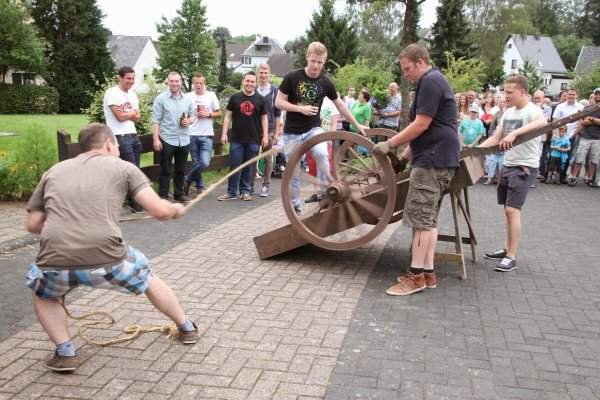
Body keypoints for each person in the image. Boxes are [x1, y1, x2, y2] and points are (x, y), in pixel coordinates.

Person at [25, 123, 198, 373]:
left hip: (54, 259)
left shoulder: (53, 171)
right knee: (147, 277)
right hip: (107, 256)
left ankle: (65, 353)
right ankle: (186, 327)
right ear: (108, 143)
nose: (117, 150)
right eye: (116, 145)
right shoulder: (124, 167)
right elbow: (159, 211)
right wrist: (174, 209)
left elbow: (32, 224)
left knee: (44, 294)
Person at [372, 43, 460, 296]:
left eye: (407, 68)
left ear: (420, 62)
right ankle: (428, 273)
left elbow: (421, 125)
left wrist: (390, 143)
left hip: (432, 161)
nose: (406, 74)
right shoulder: (432, 82)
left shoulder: (431, 82)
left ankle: (416, 277)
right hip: (435, 156)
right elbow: (426, 129)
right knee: (429, 220)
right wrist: (404, 156)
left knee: (420, 220)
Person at [275, 41, 367, 216]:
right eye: (313, 61)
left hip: (313, 129)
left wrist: (357, 125)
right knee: (293, 173)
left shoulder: (326, 82)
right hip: (292, 134)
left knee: (322, 153)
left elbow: (341, 106)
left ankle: (326, 194)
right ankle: (295, 207)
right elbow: (278, 102)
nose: (316, 66)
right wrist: (300, 108)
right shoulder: (292, 77)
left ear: (325, 61)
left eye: (320, 62)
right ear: (307, 58)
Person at [479, 75, 547, 272]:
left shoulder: (533, 111)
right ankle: (507, 248)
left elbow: (543, 122)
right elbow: (496, 138)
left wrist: (516, 133)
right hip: (508, 165)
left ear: (522, 92)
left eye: (509, 92)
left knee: (512, 210)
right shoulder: (508, 113)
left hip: (524, 167)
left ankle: (511, 256)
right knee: (508, 211)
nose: (505, 95)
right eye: (505, 91)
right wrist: (474, 152)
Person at [217, 71, 268, 201]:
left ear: (255, 83)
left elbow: (264, 119)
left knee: (248, 166)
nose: (249, 84)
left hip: (254, 139)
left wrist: (265, 136)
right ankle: (231, 192)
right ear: (243, 82)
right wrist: (224, 133)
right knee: (234, 165)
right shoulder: (235, 98)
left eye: (252, 81)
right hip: (237, 139)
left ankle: (245, 191)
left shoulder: (260, 100)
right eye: (247, 81)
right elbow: (228, 116)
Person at [102, 66, 144, 213]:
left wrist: (129, 113)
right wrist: (132, 113)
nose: (131, 81)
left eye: (133, 78)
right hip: (120, 136)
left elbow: (138, 118)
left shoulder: (132, 94)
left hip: (133, 135)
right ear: (120, 78)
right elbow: (119, 117)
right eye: (128, 78)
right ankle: (134, 203)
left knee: (135, 170)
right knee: (130, 171)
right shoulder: (112, 93)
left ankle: (132, 202)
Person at [152, 71, 194, 202]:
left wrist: (189, 121)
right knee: (165, 169)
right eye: (172, 81)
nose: (174, 84)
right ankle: (163, 196)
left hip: (184, 139)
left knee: (181, 169)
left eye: (177, 81)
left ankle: (179, 194)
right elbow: (156, 120)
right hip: (167, 139)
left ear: (181, 82)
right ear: (168, 82)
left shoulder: (187, 100)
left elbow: (193, 116)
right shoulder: (161, 99)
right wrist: (156, 139)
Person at [184, 73, 221, 197]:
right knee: (196, 163)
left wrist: (208, 114)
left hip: (206, 134)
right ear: (193, 83)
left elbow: (219, 113)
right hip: (192, 133)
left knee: (204, 162)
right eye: (196, 82)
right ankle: (200, 187)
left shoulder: (211, 95)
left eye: (201, 83)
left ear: (205, 83)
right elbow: (183, 114)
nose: (198, 85)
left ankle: (188, 179)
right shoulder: (187, 96)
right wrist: (188, 119)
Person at [250, 63, 281, 197]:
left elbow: (277, 113)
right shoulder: (253, 88)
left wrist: (276, 133)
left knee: (267, 158)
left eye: (265, 73)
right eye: (261, 73)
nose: (263, 75)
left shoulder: (274, 91)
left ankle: (265, 185)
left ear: (269, 73)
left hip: (269, 128)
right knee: (252, 158)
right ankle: (250, 185)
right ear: (257, 74)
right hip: (254, 129)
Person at [569, 87, 600, 187]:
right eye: (597, 94)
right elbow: (582, 121)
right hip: (585, 136)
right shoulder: (587, 108)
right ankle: (574, 177)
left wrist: (590, 118)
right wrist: (595, 121)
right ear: (594, 95)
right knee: (579, 158)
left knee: (594, 160)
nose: (598, 95)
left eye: (599, 94)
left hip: (597, 138)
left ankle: (590, 179)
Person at [553, 88, 583, 184]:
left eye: (573, 94)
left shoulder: (581, 107)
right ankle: (551, 175)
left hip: (571, 136)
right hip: (559, 136)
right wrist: (554, 134)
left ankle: (562, 176)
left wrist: (574, 134)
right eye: (569, 94)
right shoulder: (560, 106)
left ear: (577, 96)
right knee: (554, 156)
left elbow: (581, 123)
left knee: (567, 157)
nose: (571, 96)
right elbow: (555, 121)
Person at [483, 92, 507, 185]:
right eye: (500, 102)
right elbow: (492, 125)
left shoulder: (509, 112)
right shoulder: (497, 113)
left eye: (503, 102)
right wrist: (490, 136)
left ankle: (500, 179)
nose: (501, 103)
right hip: (495, 136)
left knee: (502, 163)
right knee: (492, 162)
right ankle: (490, 178)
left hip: (505, 139)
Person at [533, 90, 552, 180]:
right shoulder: (530, 107)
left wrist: (538, 108)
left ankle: (537, 173)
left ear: (543, 99)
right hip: (531, 135)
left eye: (539, 98)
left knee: (539, 156)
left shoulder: (548, 108)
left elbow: (544, 120)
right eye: (535, 98)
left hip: (541, 136)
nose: (537, 100)